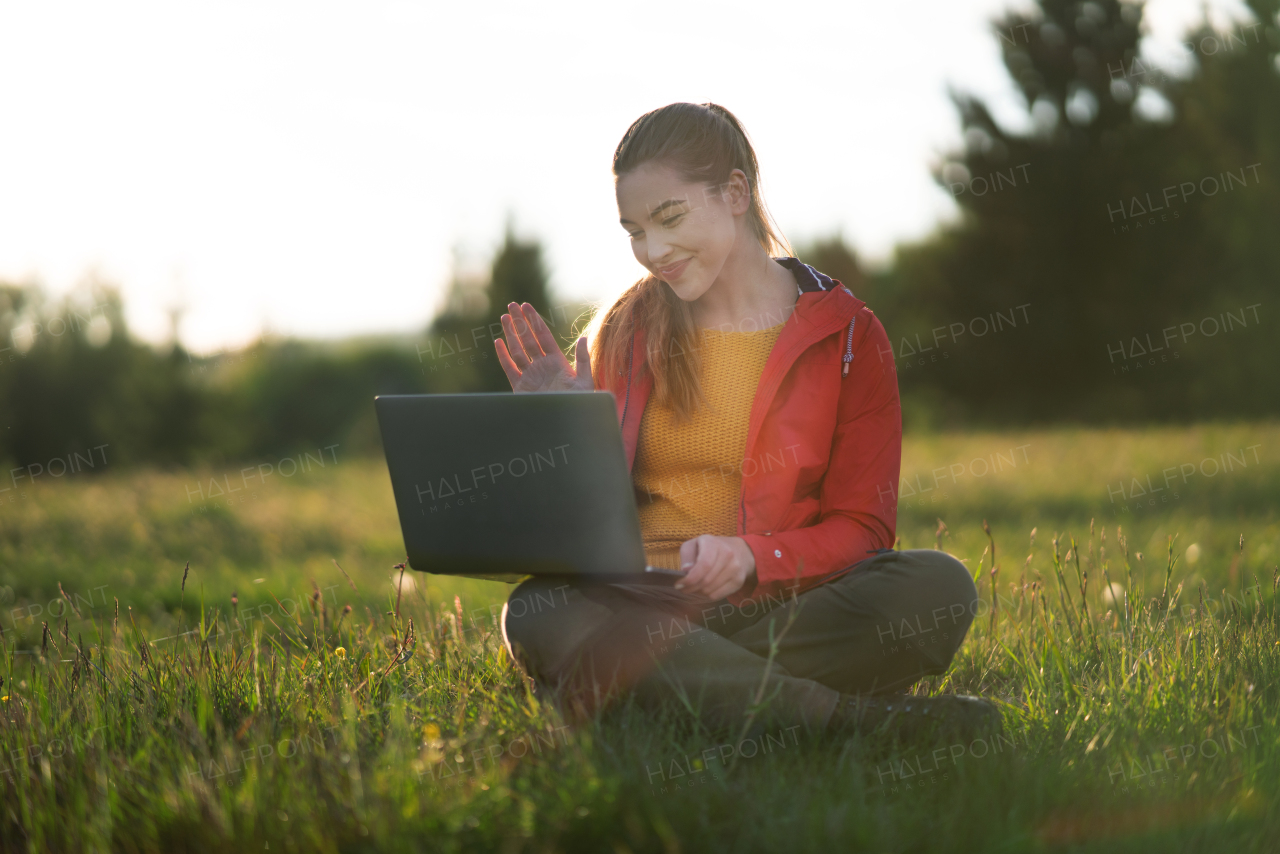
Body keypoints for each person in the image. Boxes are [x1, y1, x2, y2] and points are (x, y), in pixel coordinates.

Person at [493, 102, 998, 740]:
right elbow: (575, 540)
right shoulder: (621, 333)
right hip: (642, 606)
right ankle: (841, 719)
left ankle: (657, 692)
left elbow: (863, 528)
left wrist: (754, 559)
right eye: (634, 231)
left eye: (668, 218)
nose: (653, 251)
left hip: (782, 605)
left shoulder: (849, 337)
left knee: (936, 587)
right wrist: (556, 435)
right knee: (538, 608)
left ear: (735, 192)